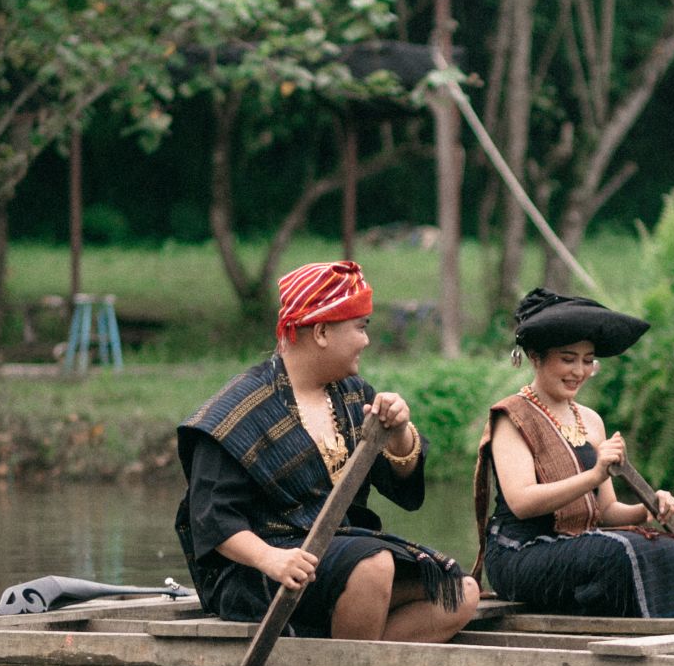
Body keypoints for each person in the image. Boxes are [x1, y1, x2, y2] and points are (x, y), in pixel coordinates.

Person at [175, 260, 479, 640]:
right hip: (257, 571)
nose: (366, 341)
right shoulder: (236, 413)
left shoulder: (353, 395)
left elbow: (402, 488)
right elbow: (211, 519)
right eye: (360, 327)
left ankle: (356, 657)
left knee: (461, 592)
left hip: (342, 554)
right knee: (373, 566)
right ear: (321, 332)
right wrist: (272, 559)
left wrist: (400, 433)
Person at [473, 287, 674, 618]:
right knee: (616, 554)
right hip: (519, 553)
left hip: (580, 545)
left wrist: (648, 508)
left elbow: (606, 511)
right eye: (568, 359)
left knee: (669, 550)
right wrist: (593, 475)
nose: (579, 371)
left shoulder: (590, 420)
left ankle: (662, 639)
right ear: (535, 357)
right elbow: (521, 502)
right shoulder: (512, 417)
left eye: (588, 361)